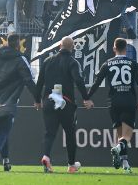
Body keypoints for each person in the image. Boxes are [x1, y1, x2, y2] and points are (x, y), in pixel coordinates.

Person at [87, 38, 138, 173]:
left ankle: (125, 164)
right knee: (127, 135)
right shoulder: (133, 63)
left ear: (114, 48)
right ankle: (119, 148)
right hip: (128, 100)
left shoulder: (107, 63)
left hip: (113, 101)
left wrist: (87, 97)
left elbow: (97, 83)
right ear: (126, 48)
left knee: (120, 133)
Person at [34, 36, 94, 173]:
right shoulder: (72, 62)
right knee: (70, 134)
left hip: (49, 101)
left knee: (49, 133)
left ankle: (46, 157)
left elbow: (39, 83)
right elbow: (78, 80)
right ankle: (71, 165)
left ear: (59, 45)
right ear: (72, 48)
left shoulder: (48, 61)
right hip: (65, 101)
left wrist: (37, 100)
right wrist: (86, 98)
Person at [0, 34, 37, 172]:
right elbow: (29, 80)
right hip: (8, 100)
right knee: (5, 129)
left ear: (7, 43)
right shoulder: (20, 59)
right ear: (18, 45)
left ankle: (6, 162)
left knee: (3, 130)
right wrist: (38, 98)